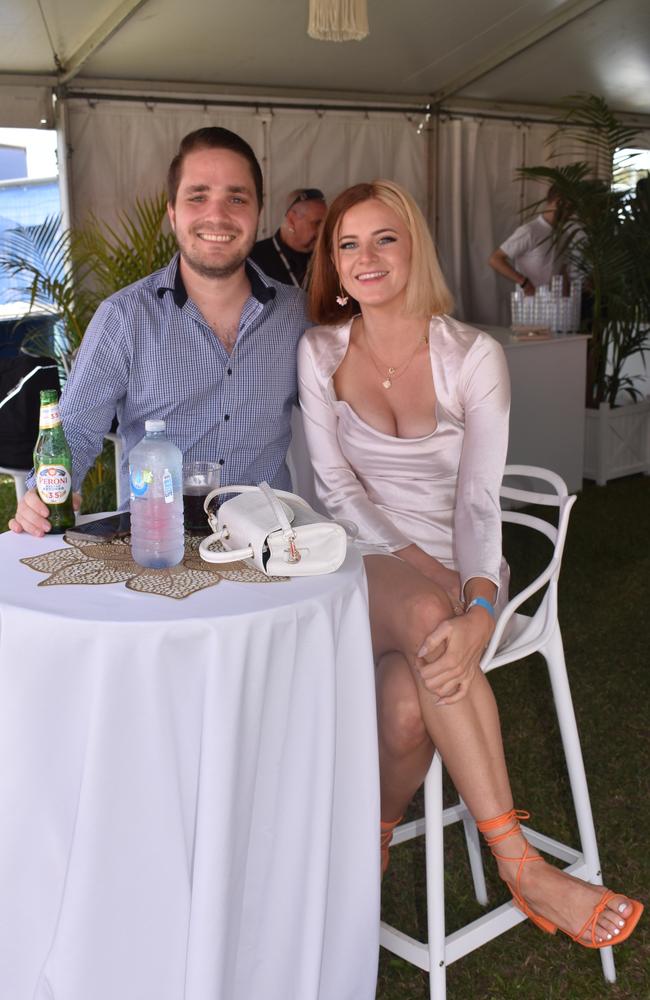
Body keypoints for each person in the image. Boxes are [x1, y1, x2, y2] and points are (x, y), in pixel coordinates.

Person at [298, 179, 643, 949]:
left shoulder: (473, 355)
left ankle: (375, 839)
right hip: (362, 560)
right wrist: (434, 578)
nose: (365, 257)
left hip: (467, 564)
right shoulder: (319, 350)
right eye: (347, 244)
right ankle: (523, 867)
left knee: (405, 704)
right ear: (333, 263)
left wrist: (481, 602)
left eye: (384, 237)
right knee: (427, 614)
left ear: (414, 244)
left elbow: (480, 503)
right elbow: (334, 489)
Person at [10, 127, 308, 537]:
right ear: (172, 212)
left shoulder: (297, 314)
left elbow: (346, 417)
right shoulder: (123, 318)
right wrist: (40, 499)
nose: (217, 215)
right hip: (157, 546)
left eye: (236, 198)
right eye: (197, 196)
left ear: (259, 211)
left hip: (271, 545)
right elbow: (75, 431)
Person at [488, 185, 568, 295]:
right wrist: (524, 282)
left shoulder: (564, 235)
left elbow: (562, 270)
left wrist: (567, 301)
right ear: (559, 202)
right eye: (570, 208)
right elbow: (495, 259)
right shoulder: (529, 231)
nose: (572, 214)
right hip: (530, 307)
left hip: (555, 308)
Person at [249, 188, 327, 287]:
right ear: (291, 221)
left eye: (325, 224)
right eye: (317, 223)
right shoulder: (254, 260)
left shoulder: (327, 257)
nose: (322, 231)